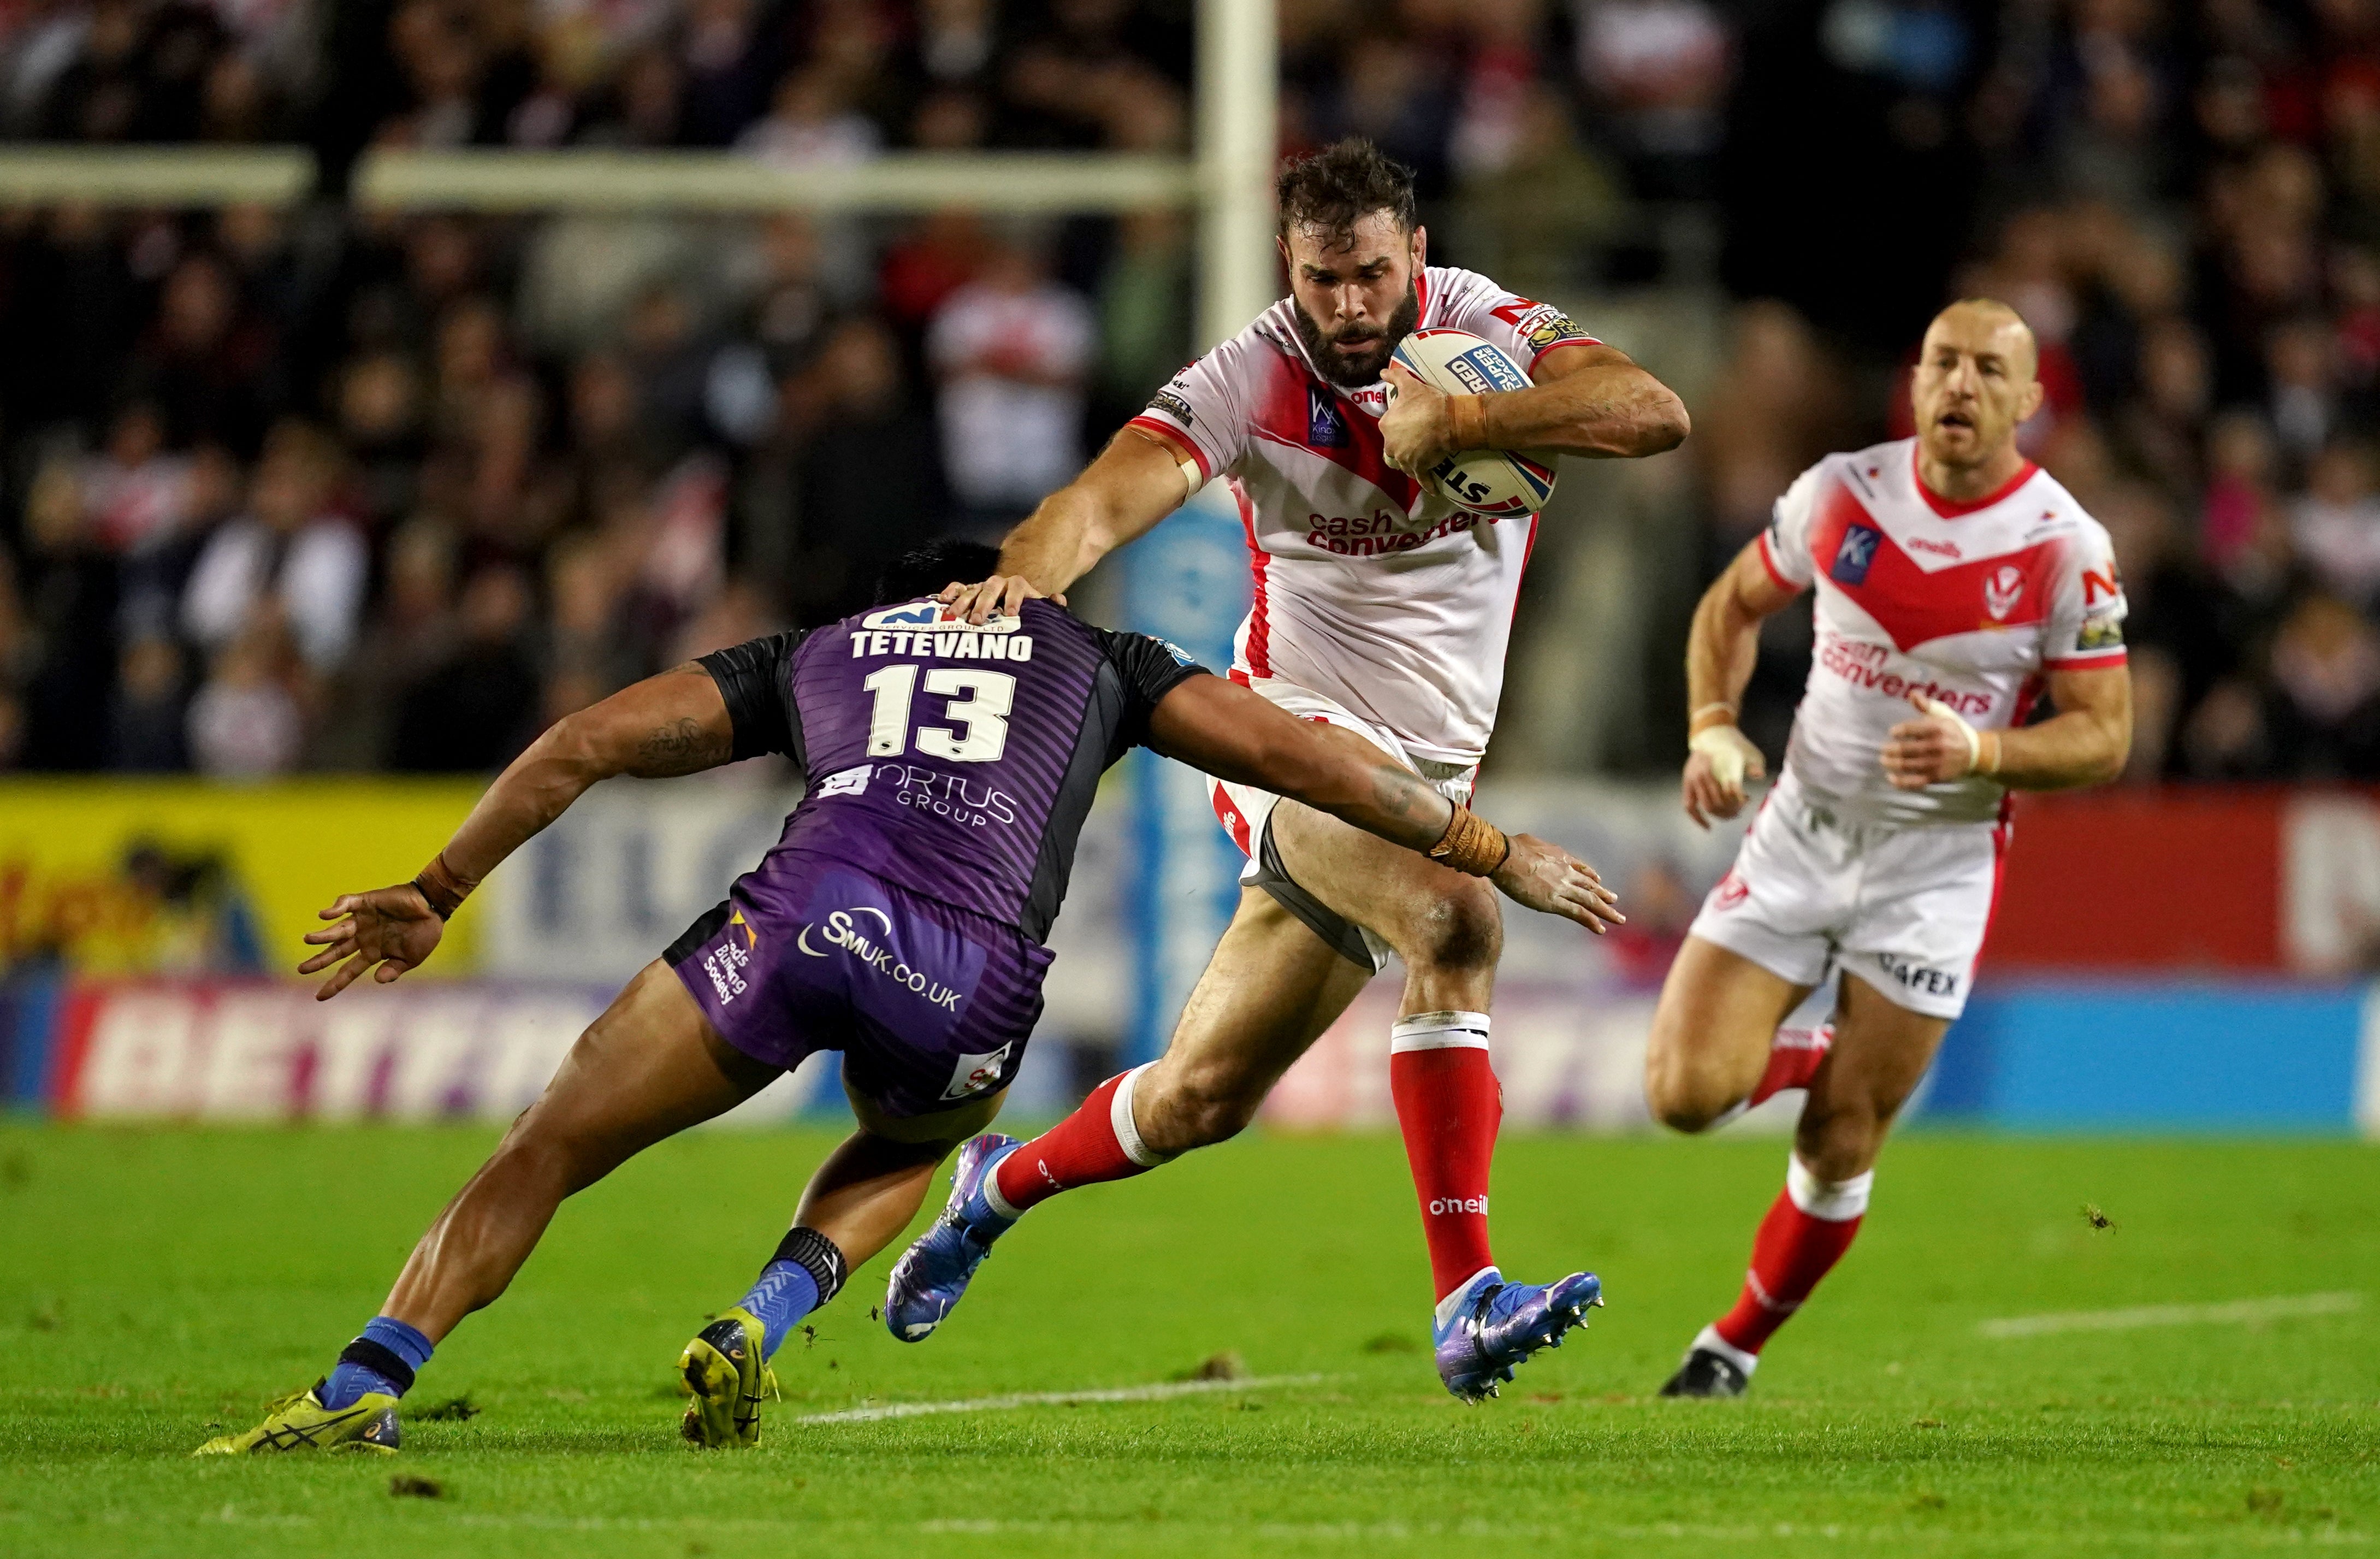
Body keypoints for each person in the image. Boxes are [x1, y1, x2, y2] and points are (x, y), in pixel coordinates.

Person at [196, 540, 1619, 1456]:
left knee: (549, 1143)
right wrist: (1489, 849)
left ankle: (362, 1383)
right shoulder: (1099, 660)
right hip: (970, 982)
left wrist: (440, 887)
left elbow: (583, 742)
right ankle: (763, 1306)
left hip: (802, 915)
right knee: (904, 1138)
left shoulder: (820, 649)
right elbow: (1303, 756)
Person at [897, 138, 1689, 1401]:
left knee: (1199, 1099)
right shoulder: (1248, 378)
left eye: (1371, 274)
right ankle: (1468, 1299)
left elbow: (1655, 413)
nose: (1350, 306)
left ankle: (997, 1185)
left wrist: (1470, 421)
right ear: (1289, 266)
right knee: (1455, 913)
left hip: (1428, 769)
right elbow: (1099, 504)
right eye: (1323, 279)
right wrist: (1022, 576)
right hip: (1289, 741)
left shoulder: (1487, 331)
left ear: (1416, 256)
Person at [1645, 299, 2133, 1398]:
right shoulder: (1840, 494)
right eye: (1942, 365)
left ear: (2028, 399)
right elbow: (1729, 608)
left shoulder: (2063, 546)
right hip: (1801, 837)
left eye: (1987, 370)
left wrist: (1981, 747)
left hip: (1935, 873)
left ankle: (1730, 1346)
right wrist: (1712, 728)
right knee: (1681, 1093)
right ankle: (1831, 1052)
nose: (1959, 386)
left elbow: (2104, 738)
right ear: (1914, 383)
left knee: (1838, 1143)